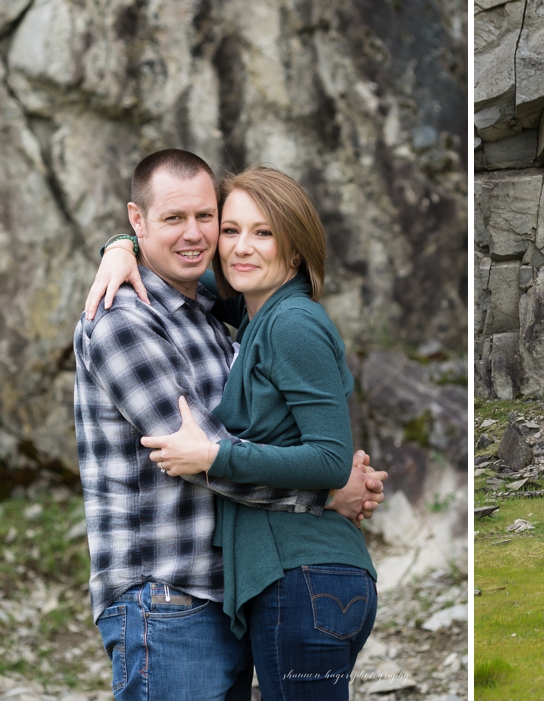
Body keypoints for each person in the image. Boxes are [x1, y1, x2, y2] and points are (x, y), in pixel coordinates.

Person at [79, 152, 385, 701]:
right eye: (175, 218)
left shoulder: (225, 312)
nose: (198, 235)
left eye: (207, 218)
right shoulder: (125, 319)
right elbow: (197, 454)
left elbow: (253, 444)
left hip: (234, 591)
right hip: (166, 596)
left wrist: (123, 246)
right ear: (138, 219)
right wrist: (325, 491)